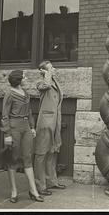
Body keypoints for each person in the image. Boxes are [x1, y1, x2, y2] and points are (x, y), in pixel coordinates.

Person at [0, 70, 44, 203]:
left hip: (26, 127)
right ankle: (14, 191)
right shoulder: (9, 94)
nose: (26, 78)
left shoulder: (25, 93)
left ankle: (33, 191)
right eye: (24, 76)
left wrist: (32, 127)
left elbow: (29, 111)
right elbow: (4, 115)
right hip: (14, 127)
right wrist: (7, 134)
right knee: (13, 159)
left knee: (27, 158)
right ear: (18, 80)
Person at [33, 61, 66, 196]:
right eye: (52, 67)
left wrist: (50, 75)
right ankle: (40, 185)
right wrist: (46, 75)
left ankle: (52, 181)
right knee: (41, 153)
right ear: (44, 71)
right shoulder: (41, 83)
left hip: (55, 122)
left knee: (53, 151)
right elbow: (45, 86)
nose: (55, 68)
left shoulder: (55, 82)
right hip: (46, 122)